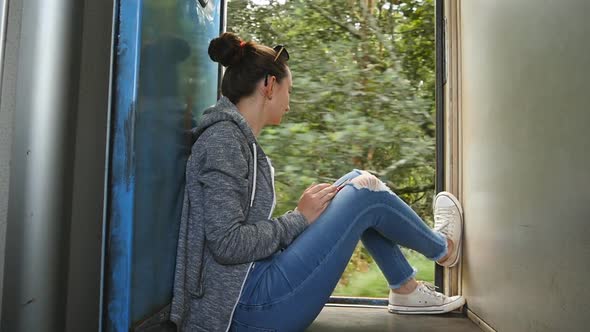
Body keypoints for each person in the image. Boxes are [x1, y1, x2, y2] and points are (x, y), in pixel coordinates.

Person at [170, 32, 465, 332]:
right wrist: (298, 219)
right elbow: (227, 243)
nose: (290, 103)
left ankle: (405, 287)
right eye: (290, 90)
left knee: (353, 182)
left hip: (249, 294)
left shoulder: (233, 138)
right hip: (245, 309)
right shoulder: (223, 141)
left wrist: (300, 219)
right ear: (269, 86)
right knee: (364, 193)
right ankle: (444, 249)